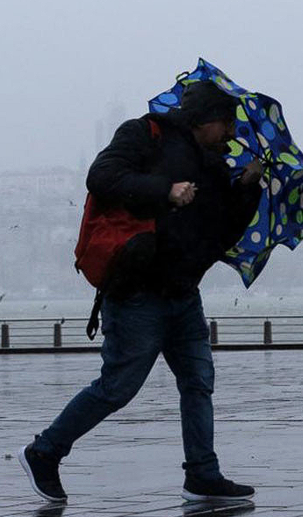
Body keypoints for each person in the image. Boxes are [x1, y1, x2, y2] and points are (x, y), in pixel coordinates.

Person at [18, 81, 263, 503]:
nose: (231, 133)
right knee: (118, 386)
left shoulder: (216, 167)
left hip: (184, 294)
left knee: (198, 381)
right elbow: (102, 177)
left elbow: (223, 235)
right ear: (205, 118)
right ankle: (45, 451)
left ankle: (202, 474)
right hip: (137, 291)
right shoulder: (143, 134)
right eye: (227, 122)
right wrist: (165, 191)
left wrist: (246, 188)